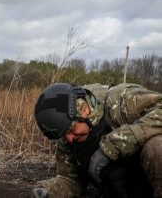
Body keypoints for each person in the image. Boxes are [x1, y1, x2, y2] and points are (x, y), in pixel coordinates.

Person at [32, 83, 162, 198]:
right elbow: (71, 179)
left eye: (71, 130)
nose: (69, 138)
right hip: (125, 191)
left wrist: (118, 142)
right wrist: (48, 191)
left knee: (157, 147)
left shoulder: (120, 100)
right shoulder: (67, 140)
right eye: (63, 135)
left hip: (152, 177)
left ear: (84, 110)